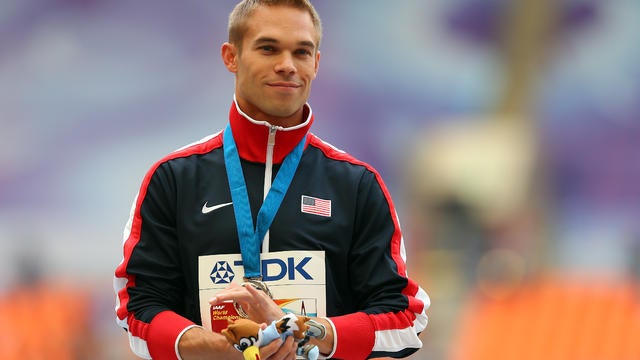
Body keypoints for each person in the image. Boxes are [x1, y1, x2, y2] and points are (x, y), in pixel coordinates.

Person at [113, 0, 430, 359]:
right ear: (231, 56)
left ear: (316, 64)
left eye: (301, 52)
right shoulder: (173, 179)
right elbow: (138, 309)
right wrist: (217, 349)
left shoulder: (356, 184)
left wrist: (304, 330)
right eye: (268, 48)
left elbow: (403, 317)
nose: (287, 65)